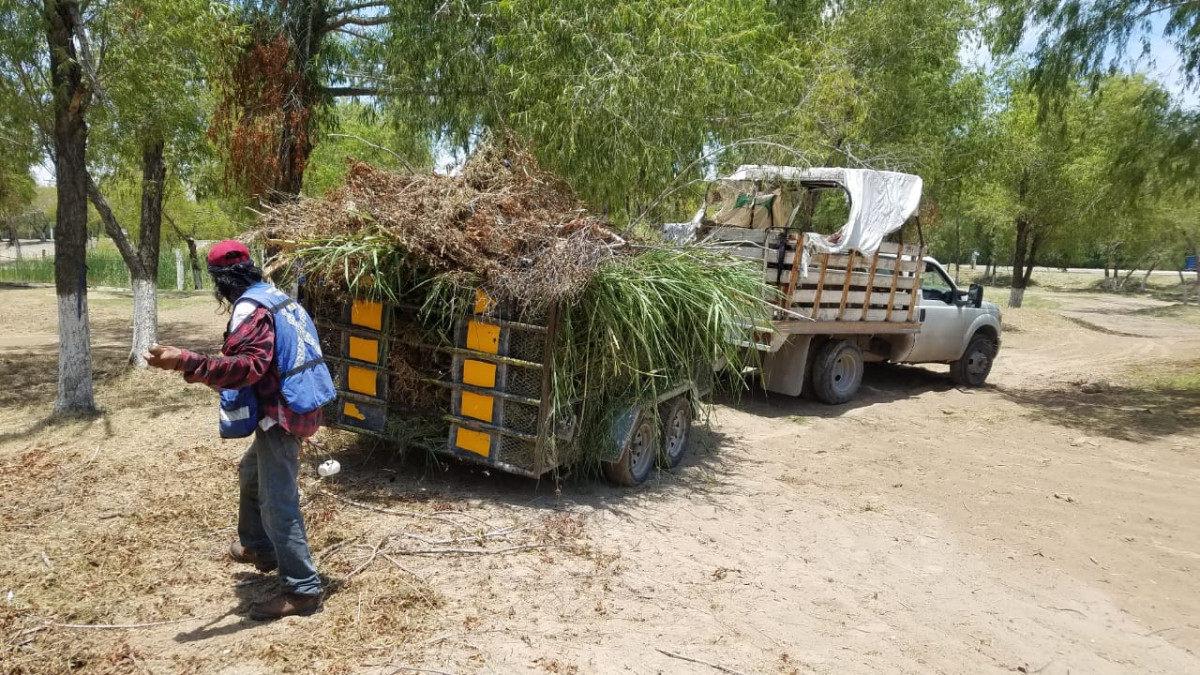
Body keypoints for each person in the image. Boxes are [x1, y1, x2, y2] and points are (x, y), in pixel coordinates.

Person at [144, 240, 334, 621]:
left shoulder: (251, 308)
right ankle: (259, 547)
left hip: (282, 413)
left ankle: (303, 589)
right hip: (302, 401)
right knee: (251, 471)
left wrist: (186, 362)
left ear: (220, 283)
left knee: (277, 501)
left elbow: (248, 367)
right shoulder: (276, 296)